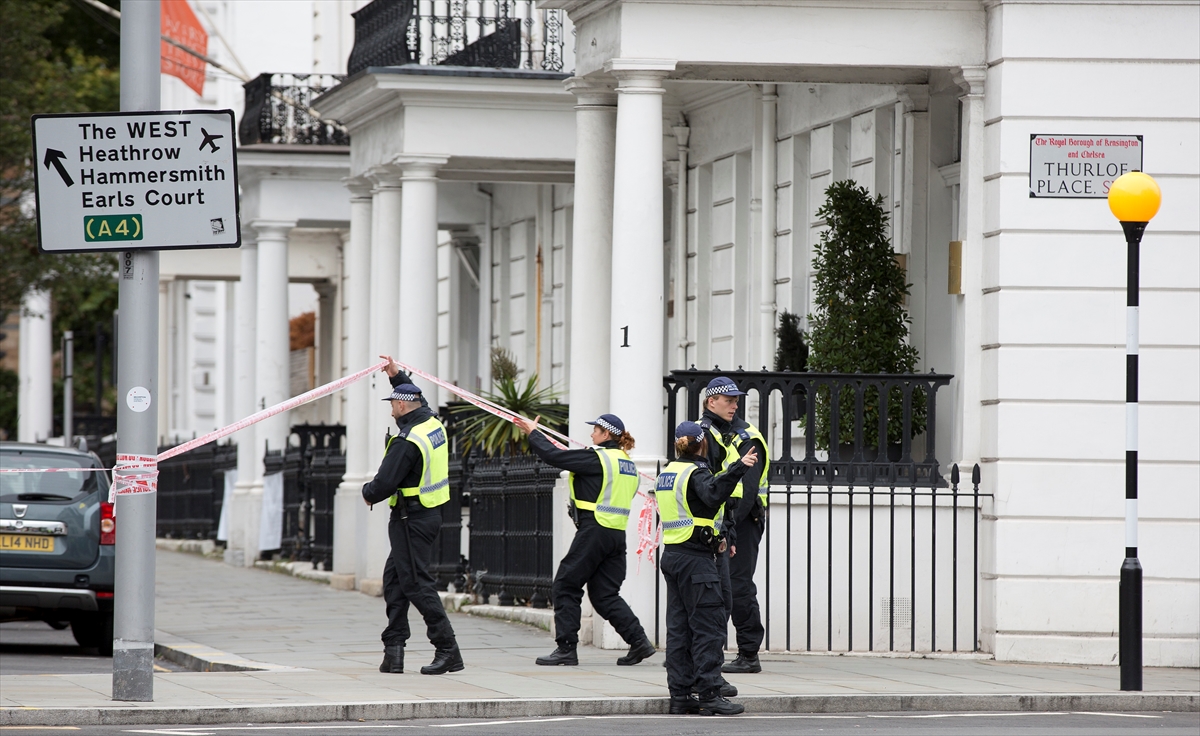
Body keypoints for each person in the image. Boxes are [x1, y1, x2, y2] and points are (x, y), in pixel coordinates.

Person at [512, 412, 656, 668]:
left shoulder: (597, 458)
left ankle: (566, 649)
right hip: (615, 534)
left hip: (594, 529)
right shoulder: (627, 463)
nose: (591, 434)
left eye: (596, 430)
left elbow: (554, 456)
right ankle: (639, 642)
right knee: (604, 594)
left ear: (606, 434)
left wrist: (534, 433)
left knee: (565, 585)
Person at [362, 356, 463, 676]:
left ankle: (447, 648)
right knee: (394, 580)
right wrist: (396, 376)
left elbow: (383, 484)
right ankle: (394, 650)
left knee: (417, 583)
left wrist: (366, 492)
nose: (391, 408)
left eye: (392, 404)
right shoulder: (431, 423)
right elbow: (420, 399)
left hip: (410, 520)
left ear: (404, 408)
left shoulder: (406, 441)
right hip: (428, 515)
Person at [656, 421, 757, 716]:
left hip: (673, 555)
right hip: (696, 560)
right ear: (703, 444)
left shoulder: (668, 473)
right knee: (708, 627)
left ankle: (681, 695)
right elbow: (713, 495)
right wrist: (738, 467)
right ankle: (710, 694)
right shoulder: (696, 473)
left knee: (679, 630)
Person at [699, 376, 769, 675]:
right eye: (728, 400)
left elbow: (747, 491)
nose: (734, 404)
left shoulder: (747, 437)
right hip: (716, 524)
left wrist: (727, 530)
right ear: (710, 401)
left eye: (736, 400)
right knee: (712, 587)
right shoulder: (706, 432)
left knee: (738, 585)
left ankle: (749, 653)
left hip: (742, 521)